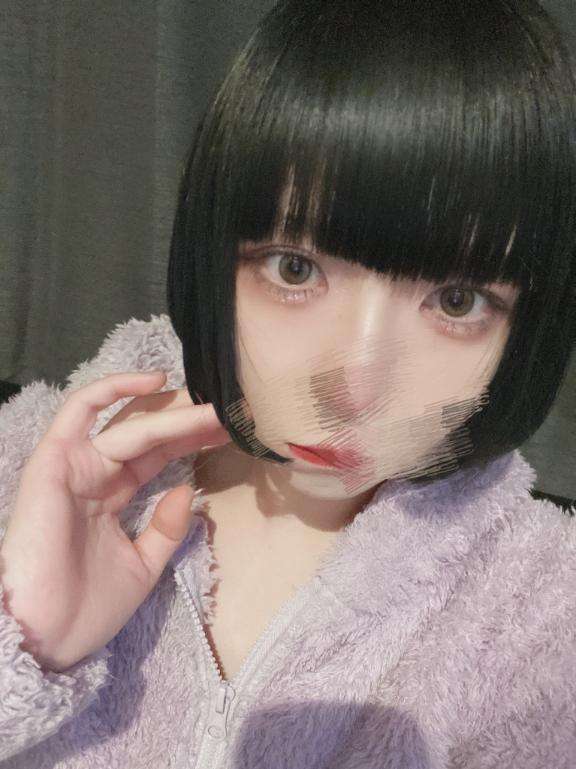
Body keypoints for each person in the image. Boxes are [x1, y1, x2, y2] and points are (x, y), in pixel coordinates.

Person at [1, 0, 575, 766]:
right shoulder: (27, 466)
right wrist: (24, 649)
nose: (353, 391)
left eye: (457, 301)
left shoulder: (544, 623)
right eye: (295, 269)